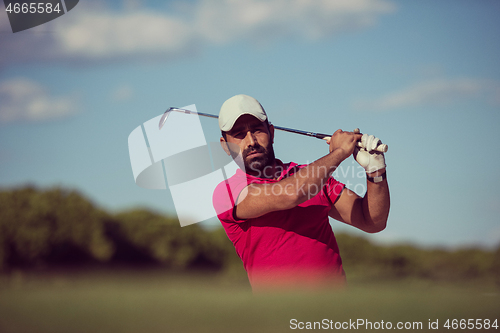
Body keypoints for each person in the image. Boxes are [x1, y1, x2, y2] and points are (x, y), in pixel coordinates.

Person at [212, 94, 390, 292]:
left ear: (271, 132)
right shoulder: (227, 192)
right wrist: (339, 153)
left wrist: (376, 171)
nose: (251, 141)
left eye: (257, 130)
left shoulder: (312, 177)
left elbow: (373, 222)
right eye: (238, 134)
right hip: (278, 316)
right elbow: (290, 194)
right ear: (225, 145)